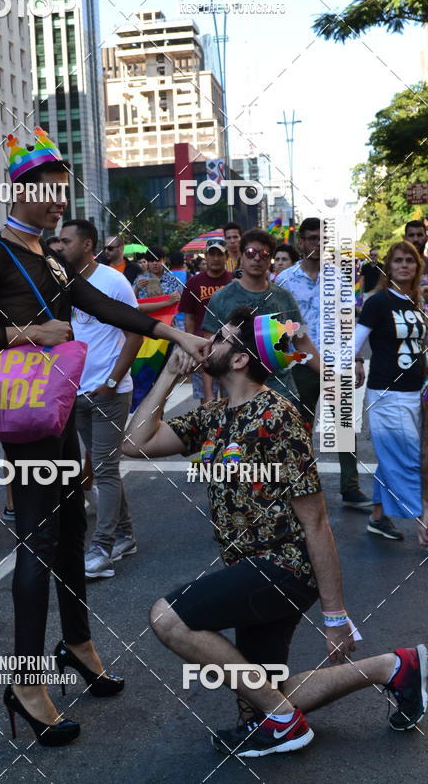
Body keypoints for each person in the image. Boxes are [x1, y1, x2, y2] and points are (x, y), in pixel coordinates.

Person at [0, 128, 211, 746]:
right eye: (52, 194)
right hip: (25, 419)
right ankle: (26, 681)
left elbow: (104, 306)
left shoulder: (49, 256)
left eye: (64, 194)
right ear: (21, 191)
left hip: (56, 415)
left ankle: (79, 644)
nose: (60, 204)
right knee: (37, 543)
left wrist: (175, 336)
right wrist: (26, 334)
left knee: (71, 533)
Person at [123, 307, 428, 758]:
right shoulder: (212, 415)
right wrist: (169, 373)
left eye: (220, 338)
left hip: (282, 567)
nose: (206, 343)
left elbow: (317, 520)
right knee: (261, 698)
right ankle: (395, 667)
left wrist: (334, 616)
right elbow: (133, 444)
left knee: (168, 617)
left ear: (242, 359)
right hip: (247, 566)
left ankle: (285, 725)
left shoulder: (278, 416)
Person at [58, 219, 142, 580]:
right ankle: (125, 536)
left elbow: (136, 335)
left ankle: (102, 548)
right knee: (103, 467)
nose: (59, 246)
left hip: (108, 393)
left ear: (88, 244)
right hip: (75, 393)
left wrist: (110, 382)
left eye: (66, 240)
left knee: (105, 470)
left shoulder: (112, 281)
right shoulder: (62, 282)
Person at [275, 218, 371, 509]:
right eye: (310, 238)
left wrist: (356, 360)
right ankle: (300, 487)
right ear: (301, 242)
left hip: (336, 363)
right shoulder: (284, 280)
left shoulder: (339, 279)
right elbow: (277, 327)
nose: (315, 243)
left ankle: (350, 488)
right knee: (299, 430)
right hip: (300, 365)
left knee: (344, 428)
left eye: (320, 238)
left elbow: (348, 324)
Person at [356, 241, 426, 540]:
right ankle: (423, 522)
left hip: (414, 393)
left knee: (393, 456)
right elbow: (353, 344)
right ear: (389, 266)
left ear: (417, 266)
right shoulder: (378, 302)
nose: (404, 265)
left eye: (409, 260)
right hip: (386, 394)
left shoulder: (416, 302)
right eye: (397, 260)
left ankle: (378, 517)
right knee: (407, 458)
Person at [203, 228, 319, 405]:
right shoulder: (222, 298)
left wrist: (330, 376)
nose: (257, 258)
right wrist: (209, 395)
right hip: (238, 398)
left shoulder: (284, 297)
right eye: (250, 253)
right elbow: (209, 348)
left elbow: (301, 341)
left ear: (270, 260)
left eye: (264, 254)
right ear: (241, 257)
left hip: (283, 396)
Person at [178, 238, 233, 402]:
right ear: (206, 257)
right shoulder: (194, 282)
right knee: (206, 400)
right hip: (202, 347)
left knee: (232, 397)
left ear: (227, 257)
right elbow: (189, 317)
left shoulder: (234, 282)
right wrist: (190, 343)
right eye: (212, 254)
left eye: (220, 254)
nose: (216, 258)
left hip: (231, 348)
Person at [404, 219, 428, 299]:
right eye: (411, 235)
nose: (415, 239)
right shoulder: (395, 268)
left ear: (426, 238)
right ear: (405, 238)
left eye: (420, 235)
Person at [168, 251, 188, 331]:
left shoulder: (164, 276)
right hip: (185, 317)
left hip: (168, 318)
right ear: (183, 262)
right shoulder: (189, 276)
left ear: (170, 262)